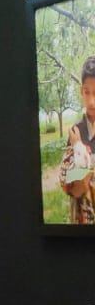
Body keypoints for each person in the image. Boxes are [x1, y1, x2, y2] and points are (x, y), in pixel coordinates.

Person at [58, 55, 95, 224]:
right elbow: (74, 187)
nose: (92, 101)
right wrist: (78, 147)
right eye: (87, 92)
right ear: (81, 92)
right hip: (83, 223)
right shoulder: (76, 132)